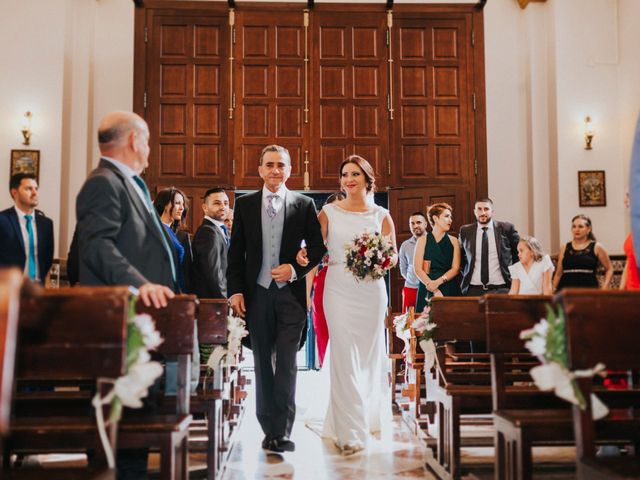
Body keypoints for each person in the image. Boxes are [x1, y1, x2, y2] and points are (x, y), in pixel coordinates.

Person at [75, 111, 176, 479]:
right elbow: (97, 246)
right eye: (147, 140)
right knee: (121, 415)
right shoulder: (103, 183)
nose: (149, 148)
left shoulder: (130, 182)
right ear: (134, 140)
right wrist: (141, 284)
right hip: (119, 320)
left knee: (139, 411)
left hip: (140, 318)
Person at [226, 145, 325, 454]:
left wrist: (295, 269)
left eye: (281, 165)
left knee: (286, 365)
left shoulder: (304, 204)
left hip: (290, 299)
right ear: (260, 170)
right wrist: (236, 290)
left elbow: (319, 250)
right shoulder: (244, 205)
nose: (275, 170)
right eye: (269, 165)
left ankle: (281, 432)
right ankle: (267, 428)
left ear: (289, 169)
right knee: (262, 364)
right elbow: (236, 253)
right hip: (257, 296)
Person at [318, 155, 396, 455]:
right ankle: (349, 430)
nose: (348, 179)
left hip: (372, 290)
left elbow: (392, 256)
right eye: (344, 174)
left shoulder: (381, 215)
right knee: (343, 354)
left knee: (368, 355)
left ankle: (368, 414)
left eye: (354, 173)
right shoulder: (327, 212)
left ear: (367, 178)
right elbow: (313, 249)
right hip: (338, 287)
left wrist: (378, 258)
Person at [298, 191, 345, 369]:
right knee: (324, 326)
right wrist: (307, 296)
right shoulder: (321, 238)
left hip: (348, 283)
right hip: (324, 283)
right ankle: (327, 364)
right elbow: (311, 268)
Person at [0, 173, 54, 284]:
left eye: (36, 188)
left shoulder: (46, 224)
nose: (35, 193)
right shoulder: (2, 220)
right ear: (14, 192)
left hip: (37, 288)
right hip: (9, 288)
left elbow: (47, 259)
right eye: (28, 189)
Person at [458, 198, 520, 296]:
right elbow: (461, 260)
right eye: (479, 209)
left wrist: (514, 281)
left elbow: (518, 256)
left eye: (486, 209)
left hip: (502, 288)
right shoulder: (465, 231)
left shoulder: (507, 229)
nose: (483, 212)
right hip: (473, 290)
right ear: (475, 212)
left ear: (492, 211)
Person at [414, 203, 461, 312]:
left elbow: (456, 268)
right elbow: (417, 269)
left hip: (448, 285)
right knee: (426, 326)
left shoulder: (454, 241)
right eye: (446, 216)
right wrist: (434, 288)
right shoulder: (422, 240)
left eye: (451, 217)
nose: (450, 220)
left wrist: (438, 282)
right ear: (435, 218)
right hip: (428, 286)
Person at [553, 214, 613, 290]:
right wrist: (553, 290)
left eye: (580, 226)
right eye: (574, 226)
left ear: (589, 229)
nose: (576, 230)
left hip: (588, 290)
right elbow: (558, 273)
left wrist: (605, 287)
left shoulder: (597, 247)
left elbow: (609, 269)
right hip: (565, 290)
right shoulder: (565, 247)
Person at [191, 188, 230, 298]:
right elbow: (213, 272)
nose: (223, 207)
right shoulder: (208, 232)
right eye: (217, 203)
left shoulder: (218, 230)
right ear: (205, 207)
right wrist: (225, 299)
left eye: (226, 203)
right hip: (212, 301)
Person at [153, 187, 191, 292]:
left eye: (183, 204)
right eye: (177, 203)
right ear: (165, 205)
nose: (182, 208)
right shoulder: (158, 230)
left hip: (176, 288)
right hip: (164, 288)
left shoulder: (169, 230)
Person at [398, 212, 427, 313]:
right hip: (410, 289)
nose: (415, 226)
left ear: (426, 224)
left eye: (418, 222)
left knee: (428, 322)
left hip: (428, 289)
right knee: (408, 322)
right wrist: (412, 279)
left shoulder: (433, 241)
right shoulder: (405, 245)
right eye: (412, 223)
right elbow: (403, 269)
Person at [621, 193, 640, 290]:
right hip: (632, 293)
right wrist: (621, 291)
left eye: (629, 195)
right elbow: (629, 262)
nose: (625, 200)